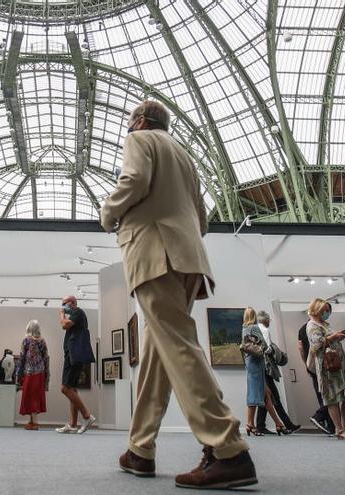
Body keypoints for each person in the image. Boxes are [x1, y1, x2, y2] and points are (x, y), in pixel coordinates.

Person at [101, 100, 256, 489]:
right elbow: (201, 220)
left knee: (180, 347)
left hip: (154, 254)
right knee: (158, 355)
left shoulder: (139, 140)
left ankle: (228, 448)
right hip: (188, 259)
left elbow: (133, 180)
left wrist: (108, 212)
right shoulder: (185, 157)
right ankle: (140, 448)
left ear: (138, 120)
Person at [305, 298, 345, 440]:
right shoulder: (312, 325)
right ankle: (339, 429)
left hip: (340, 364)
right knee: (333, 398)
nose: (327, 312)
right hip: (328, 367)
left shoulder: (324, 324)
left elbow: (328, 339)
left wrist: (337, 337)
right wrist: (333, 336)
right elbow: (317, 344)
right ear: (317, 309)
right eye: (324, 310)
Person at [242, 308, 288, 437]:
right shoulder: (255, 328)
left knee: (266, 394)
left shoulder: (244, 328)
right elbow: (264, 346)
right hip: (257, 363)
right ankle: (252, 424)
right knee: (256, 394)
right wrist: (270, 350)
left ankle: (277, 424)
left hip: (250, 363)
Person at [254, 310, 300, 434]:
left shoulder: (254, 330)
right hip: (266, 368)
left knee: (266, 397)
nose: (269, 321)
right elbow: (268, 350)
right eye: (269, 319)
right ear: (265, 320)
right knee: (275, 398)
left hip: (259, 368)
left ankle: (260, 425)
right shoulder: (264, 330)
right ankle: (286, 424)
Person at [56, 295, 97, 434]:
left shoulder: (78, 312)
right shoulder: (74, 315)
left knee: (65, 388)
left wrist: (61, 314)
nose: (63, 306)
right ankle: (73, 424)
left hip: (74, 355)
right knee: (72, 389)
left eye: (64, 303)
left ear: (72, 303)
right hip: (71, 354)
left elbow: (64, 325)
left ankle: (87, 416)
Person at [297, 303, 335, 435]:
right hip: (322, 363)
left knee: (322, 394)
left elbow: (301, 348)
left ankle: (331, 426)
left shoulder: (302, 329)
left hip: (312, 365)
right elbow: (302, 347)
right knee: (329, 394)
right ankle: (320, 417)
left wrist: (306, 365)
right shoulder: (316, 327)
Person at [17, 320, 49, 430]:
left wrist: (18, 373)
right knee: (35, 395)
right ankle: (31, 421)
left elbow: (21, 357)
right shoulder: (42, 341)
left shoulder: (26, 340)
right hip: (40, 372)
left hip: (29, 372)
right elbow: (46, 358)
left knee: (30, 395)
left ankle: (35, 422)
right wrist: (47, 374)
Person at [0, 349, 16, 427]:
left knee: (3, 402)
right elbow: (7, 373)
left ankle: (0, 420)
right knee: (3, 403)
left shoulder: (1, 362)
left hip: (3, 383)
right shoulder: (7, 361)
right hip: (5, 383)